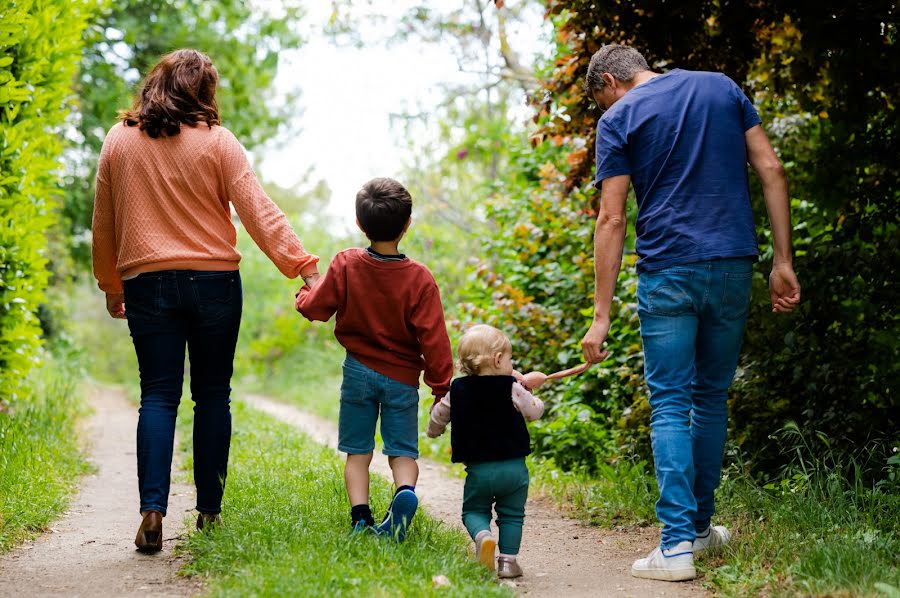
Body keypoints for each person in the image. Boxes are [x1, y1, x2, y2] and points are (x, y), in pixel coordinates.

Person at [579, 45, 801, 581]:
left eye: (599, 98)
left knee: (672, 405)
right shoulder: (720, 86)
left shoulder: (619, 117)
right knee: (709, 398)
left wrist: (601, 314)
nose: (602, 108)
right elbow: (771, 168)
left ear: (610, 79)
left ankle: (675, 545)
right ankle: (699, 530)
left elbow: (612, 220)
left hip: (668, 271)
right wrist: (783, 262)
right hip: (731, 264)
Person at [91, 49, 320, 553]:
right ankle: (209, 515)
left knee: (157, 395)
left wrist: (112, 283)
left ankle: (152, 511)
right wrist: (300, 263)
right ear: (205, 91)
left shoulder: (118, 143)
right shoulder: (219, 143)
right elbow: (259, 210)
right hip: (215, 282)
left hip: (147, 284)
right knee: (213, 394)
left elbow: (103, 222)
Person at [294, 177, 453, 540]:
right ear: (407, 224)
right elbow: (435, 340)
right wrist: (441, 388)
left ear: (360, 223)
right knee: (401, 451)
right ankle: (404, 493)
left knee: (358, 451)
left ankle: (361, 519)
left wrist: (302, 297)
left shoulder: (346, 263)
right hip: (402, 380)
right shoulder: (420, 279)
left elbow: (317, 307)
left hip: (358, 373)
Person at [427, 324, 545, 579]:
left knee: (473, 511)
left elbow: (438, 416)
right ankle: (508, 562)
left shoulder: (456, 390)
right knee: (512, 514)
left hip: (479, 471)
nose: (512, 363)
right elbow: (534, 411)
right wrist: (531, 394)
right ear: (498, 359)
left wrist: (432, 431)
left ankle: (483, 538)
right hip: (514, 470)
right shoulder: (512, 387)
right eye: (511, 357)